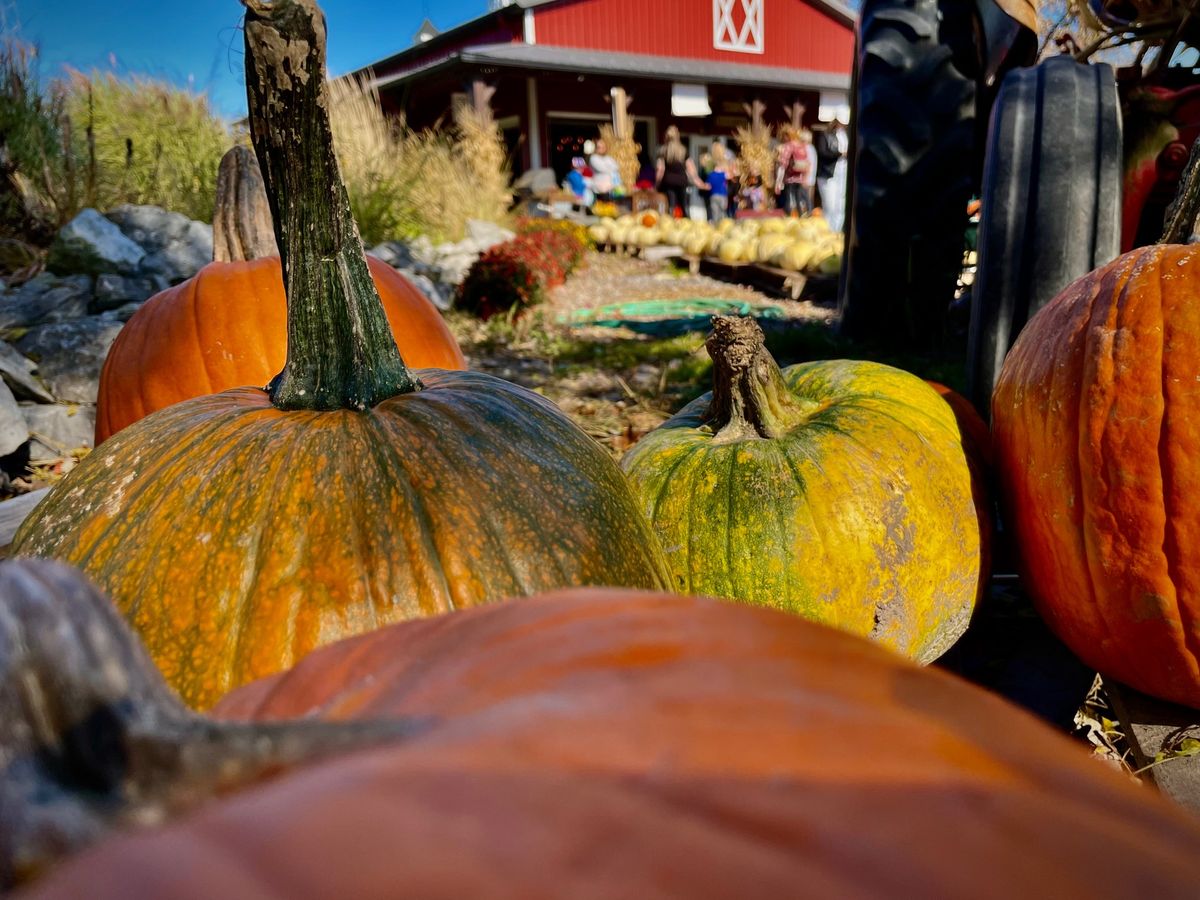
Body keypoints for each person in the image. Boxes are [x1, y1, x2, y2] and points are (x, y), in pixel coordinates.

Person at [655, 125, 705, 218]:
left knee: (671, 206)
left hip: (668, 182)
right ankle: (686, 223)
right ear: (678, 136)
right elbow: (691, 169)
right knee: (684, 205)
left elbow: (660, 170)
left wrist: (656, 184)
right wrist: (698, 182)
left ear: (666, 137)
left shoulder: (662, 151)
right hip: (682, 181)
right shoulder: (683, 150)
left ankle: (670, 223)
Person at [814, 115, 849, 232]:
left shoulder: (847, 135)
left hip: (843, 174)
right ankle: (828, 231)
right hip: (828, 174)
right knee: (830, 205)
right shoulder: (826, 135)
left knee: (841, 206)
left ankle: (837, 231)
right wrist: (840, 154)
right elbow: (823, 152)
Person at [775, 125, 811, 216]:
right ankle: (802, 216)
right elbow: (808, 163)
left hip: (789, 178)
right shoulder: (801, 146)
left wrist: (778, 181)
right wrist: (806, 178)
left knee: (788, 199)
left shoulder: (788, 146)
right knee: (799, 198)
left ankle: (789, 218)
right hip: (800, 177)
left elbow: (782, 165)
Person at [704, 141, 733, 221]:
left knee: (714, 213)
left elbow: (707, 176)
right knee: (723, 213)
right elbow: (730, 176)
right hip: (723, 192)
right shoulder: (726, 162)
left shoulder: (709, 162)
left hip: (713, 192)